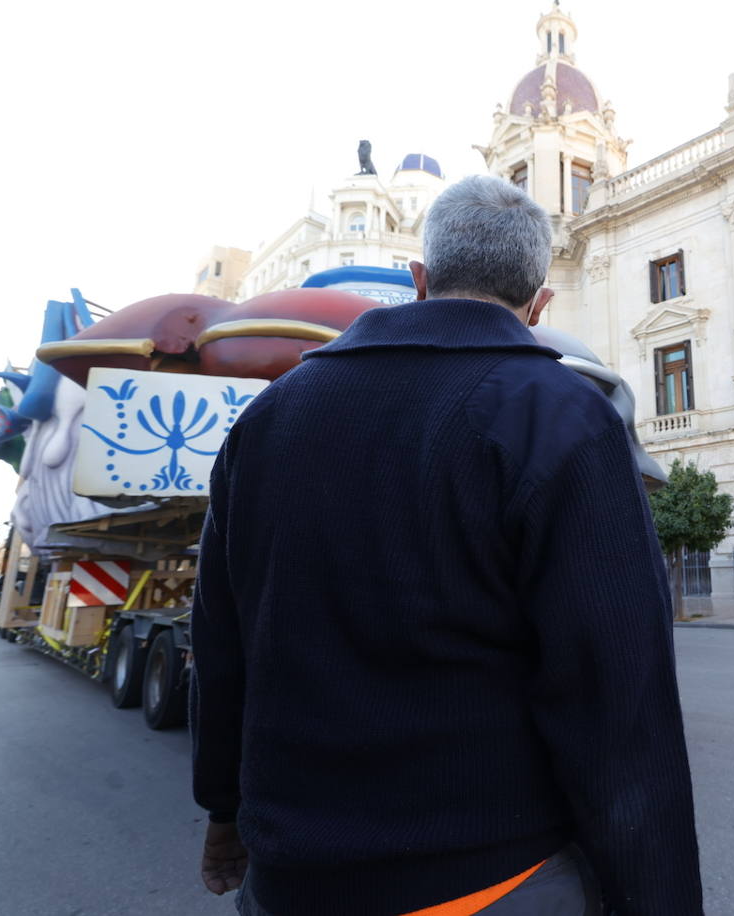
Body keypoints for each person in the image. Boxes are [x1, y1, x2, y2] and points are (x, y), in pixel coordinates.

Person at [189, 175, 703, 916]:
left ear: (419, 279)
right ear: (540, 303)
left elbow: (223, 643)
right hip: (486, 879)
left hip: (290, 878)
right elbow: (616, 691)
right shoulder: (560, 416)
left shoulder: (269, 419)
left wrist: (223, 810)